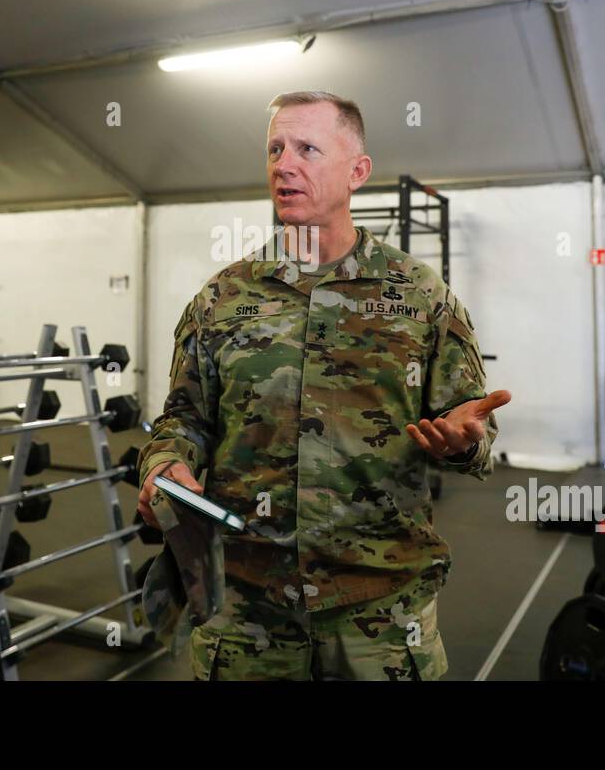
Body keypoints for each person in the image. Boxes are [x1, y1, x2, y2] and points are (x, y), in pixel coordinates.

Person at [137, 90, 510, 680]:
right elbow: (181, 421)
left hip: (381, 615)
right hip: (247, 614)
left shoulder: (418, 296)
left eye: (308, 148)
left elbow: (474, 428)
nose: (284, 164)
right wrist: (164, 466)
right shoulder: (222, 298)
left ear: (357, 171)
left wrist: (465, 440)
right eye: (275, 149)